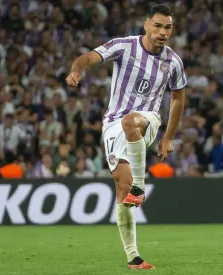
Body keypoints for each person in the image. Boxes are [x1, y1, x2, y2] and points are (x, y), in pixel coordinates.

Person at [65, 4, 186, 270]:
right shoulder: (124, 46)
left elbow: (178, 98)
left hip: (148, 119)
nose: (163, 32)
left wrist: (168, 137)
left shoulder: (173, 62)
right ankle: (133, 256)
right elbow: (87, 58)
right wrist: (77, 70)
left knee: (131, 121)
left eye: (168, 27)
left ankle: (140, 186)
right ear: (146, 25)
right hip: (112, 124)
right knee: (122, 185)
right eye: (158, 25)